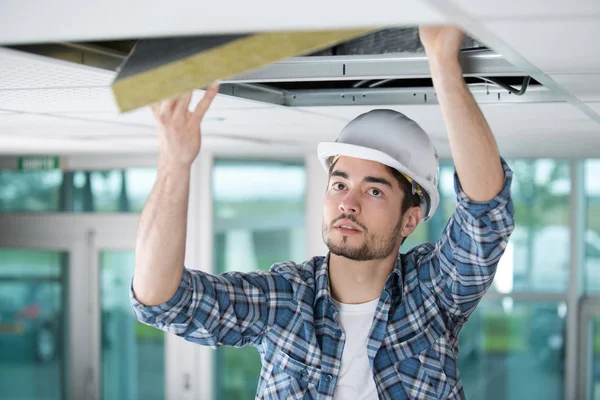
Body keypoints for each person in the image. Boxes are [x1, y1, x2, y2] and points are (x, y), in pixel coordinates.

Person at [130, 25, 515, 400]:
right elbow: (163, 300)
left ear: (410, 219)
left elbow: (484, 215)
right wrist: (174, 164)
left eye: (375, 190)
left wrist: (443, 61)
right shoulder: (284, 300)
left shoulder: (433, 293)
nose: (349, 202)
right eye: (340, 184)